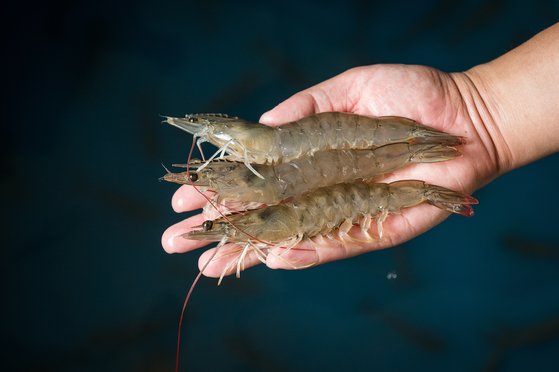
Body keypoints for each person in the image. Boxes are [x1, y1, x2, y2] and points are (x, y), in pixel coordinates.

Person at [162, 23, 559, 278]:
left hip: (351, 164)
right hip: (339, 183)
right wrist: (484, 112)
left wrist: (476, 109)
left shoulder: (266, 175)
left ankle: (421, 168)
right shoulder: (264, 182)